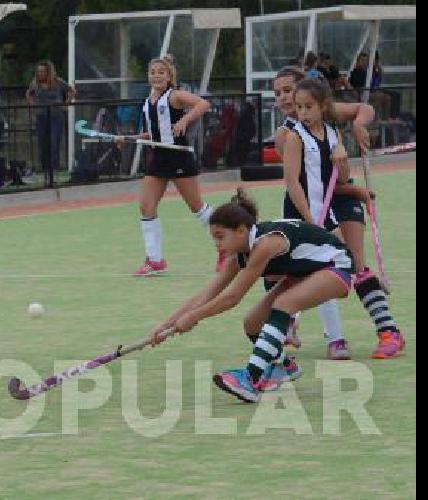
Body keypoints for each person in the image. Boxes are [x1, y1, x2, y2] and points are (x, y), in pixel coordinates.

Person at [147, 189, 355, 402]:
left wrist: (194, 317)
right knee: (252, 323)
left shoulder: (266, 244)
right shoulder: (237, 256)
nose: (217, 245)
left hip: (337, 266)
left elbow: (232, 298)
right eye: (214, 238)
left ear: (240, 231)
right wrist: (166, 325)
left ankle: (250, 379)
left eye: (220, 237)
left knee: (284, 304)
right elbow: (206, 294)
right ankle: (284, 367)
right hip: (302, 274)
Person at [279, 73, 407, 359]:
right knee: (319, 269)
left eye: (289, 91)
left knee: (353, 264)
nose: (285, 99)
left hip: (337, 202)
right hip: (312, 210)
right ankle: (307, 330)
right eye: (280, 94)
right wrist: (312, 220)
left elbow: (338, 175)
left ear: (321, 104)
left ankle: (389, 332)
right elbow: (296, 181)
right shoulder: (289, 135)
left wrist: (344, 151)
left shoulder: (330, 122)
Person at [132, 54, 213, 276]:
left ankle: (230, 248)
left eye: (161, 72)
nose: (156, 76)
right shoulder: (148, 101)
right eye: (152, 72)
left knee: (197, 208)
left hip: (178, 157)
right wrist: (136, 137)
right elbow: (156, 131)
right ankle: (155, 260)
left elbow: (203, 103)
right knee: (146, 207)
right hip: (158, 158)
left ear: (169, 77)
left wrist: (185, 120)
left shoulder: (175, 96)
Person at [26, 60, 76, 176]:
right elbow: (28, 93)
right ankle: (45, 169)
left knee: (54, 142)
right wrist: (32, 105)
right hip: (41, 116)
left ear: (48, 72)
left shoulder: (57, 82)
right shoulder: (35, 83)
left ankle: (54, 169)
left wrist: (65, 104)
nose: (40, 73)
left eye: (43, 71)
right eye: (39, 71)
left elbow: (71, 90)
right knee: (43, 142)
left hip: (55, 116)